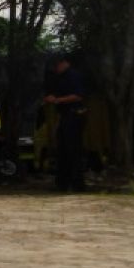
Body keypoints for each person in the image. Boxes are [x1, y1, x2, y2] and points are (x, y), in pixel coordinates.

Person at [45, 53, 86, 192]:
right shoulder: (60, 78)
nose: (56, 70)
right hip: (64, 115)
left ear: (62, 63)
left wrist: (57, 100)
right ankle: (63, 182)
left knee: (73, 150)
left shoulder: (73, 76)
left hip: (74, 115)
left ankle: (77, 184)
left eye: (56, 66)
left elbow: (78, 96)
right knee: (62, 150)